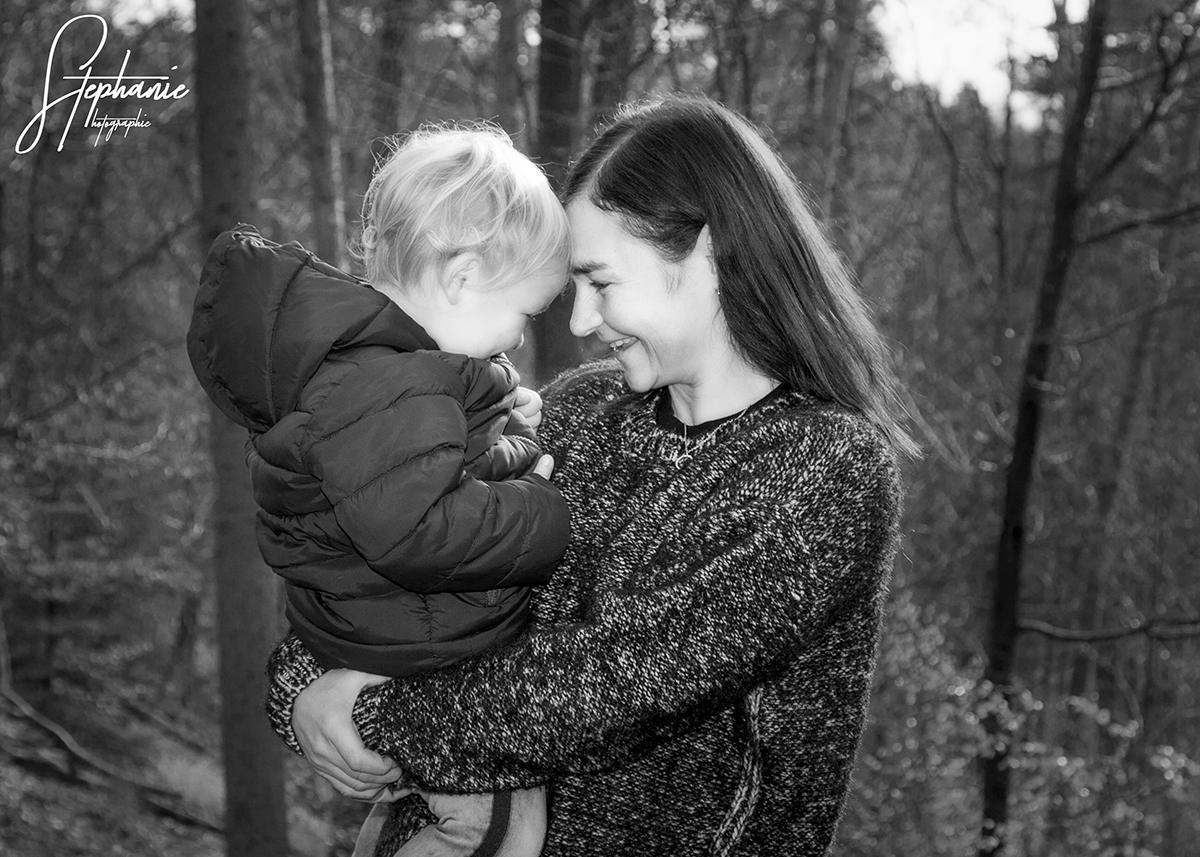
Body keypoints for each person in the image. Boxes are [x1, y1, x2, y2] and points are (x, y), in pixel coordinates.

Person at [265, 96, 917, 856]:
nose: (578, 322)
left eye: (600, 283)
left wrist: (371, 715)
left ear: (708, 253)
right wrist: (302, 688)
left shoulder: (828, 468)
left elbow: (619, 682)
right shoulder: (579, 409)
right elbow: (385, 567)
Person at [187, 125, 574, 857]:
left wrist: (509, 432)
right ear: (462, 278)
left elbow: (427, 478)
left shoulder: (371, 370)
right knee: (496, 833)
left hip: (371, 636)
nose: (520, 338)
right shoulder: (399, 386)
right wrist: (544, 510)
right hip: (422, 648)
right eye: (524, 312)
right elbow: (420, 532)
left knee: (417, 821)